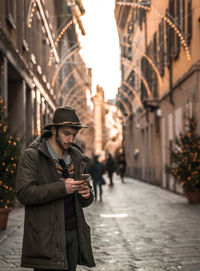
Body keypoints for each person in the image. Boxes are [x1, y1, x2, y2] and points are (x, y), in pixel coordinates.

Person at [16, 106, 95, 271]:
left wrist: (86, 194)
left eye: (74, 135)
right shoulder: (32, 155)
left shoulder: (76, 156)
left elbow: (85, 200)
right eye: (67, 134)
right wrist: (62, 188)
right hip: (46, 237)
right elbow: (24, 194)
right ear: (54, 130)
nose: (71, 139)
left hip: (73, 233)